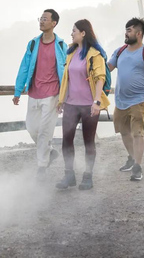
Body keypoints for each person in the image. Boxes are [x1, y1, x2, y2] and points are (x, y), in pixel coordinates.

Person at [55, 19, 111, 190]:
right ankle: (69, 175)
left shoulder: (95, 54)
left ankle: (88, 176)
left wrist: (96, 102)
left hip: (89, 105)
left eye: (74, 30)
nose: (71, 33)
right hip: (71, 104)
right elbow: (67, 78)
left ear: (83, 33)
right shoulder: (70, 53)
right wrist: (61, 100)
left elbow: (100, 78)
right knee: (66, 140)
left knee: (88, 142)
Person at [13, 9, 67, 180]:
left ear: (54, 23)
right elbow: (24, 67)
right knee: (31, 127)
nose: (41, 21)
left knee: (44, 131)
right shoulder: (33, 44)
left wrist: (63, 97)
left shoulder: (61, 46)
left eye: (45, 19)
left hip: (52, 95)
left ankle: (41, 167)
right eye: (40, 18)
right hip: (34, 93)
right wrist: (17, 91)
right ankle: (49, 152)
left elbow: (66, 73)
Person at [108, 18, 144, 181]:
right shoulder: (119, 51)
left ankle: (137, 166)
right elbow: (106, 69)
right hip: (120, 100)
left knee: (138, 133)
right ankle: (131, 158)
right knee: (124, 132)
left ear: (139, 33)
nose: (126, 33)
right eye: (126, 29)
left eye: (129, 30)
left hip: (138, 100)